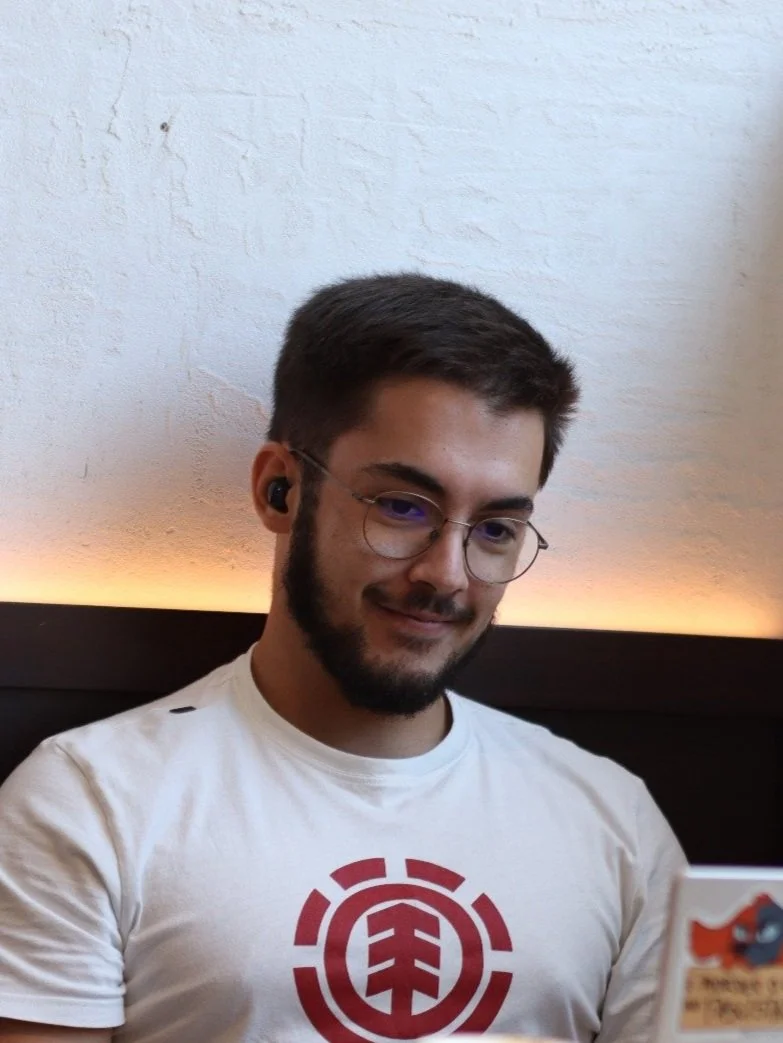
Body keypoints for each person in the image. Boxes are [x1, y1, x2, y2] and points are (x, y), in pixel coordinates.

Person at [0, 273, 685, 1043]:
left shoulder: (612, 819)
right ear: (280, 490)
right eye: (401, 506)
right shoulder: (90, 801)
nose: (446, 574)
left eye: (494, 527)